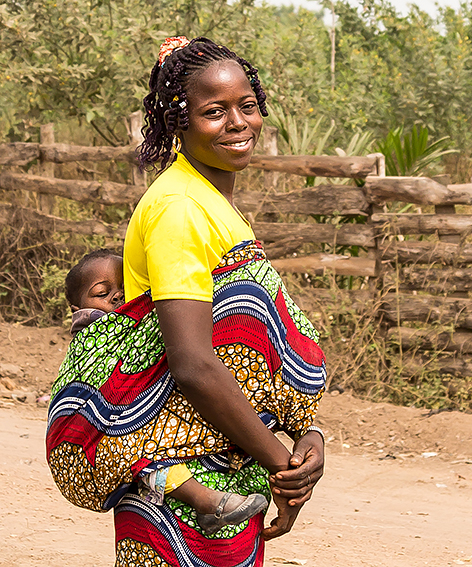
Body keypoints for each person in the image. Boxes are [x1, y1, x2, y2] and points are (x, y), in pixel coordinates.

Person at [46, 36, 326, 567]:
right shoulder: (179, 207)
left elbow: (246, 347)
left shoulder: (209, 202)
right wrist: (283, 464)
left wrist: (301, 431)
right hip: (180, 480)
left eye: (247, 106)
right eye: (213, 112)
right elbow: (194, 363)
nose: (238, 123)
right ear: (178, 120)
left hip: (225, 456)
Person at [63, 248, 269, 535]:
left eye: (125, 287)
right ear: (77, 307)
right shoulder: (92, 332)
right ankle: (205, 500)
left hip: (137, 422)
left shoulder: (139, 323)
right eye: (102, 292)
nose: (117, 297)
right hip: (109, 430)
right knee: (143, 461)